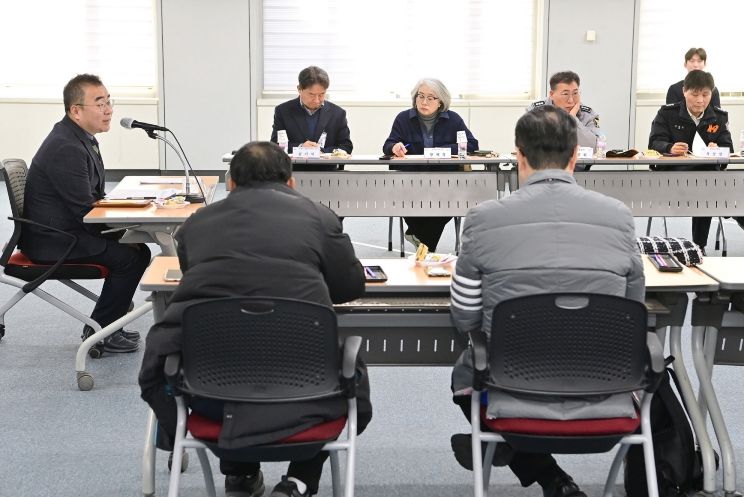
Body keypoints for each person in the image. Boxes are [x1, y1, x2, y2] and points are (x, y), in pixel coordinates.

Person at [139, 141, 372, 497]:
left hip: (211, 390)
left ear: (230, 183)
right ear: (291, 183)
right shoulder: (320, 218)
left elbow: (198, 283)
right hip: (308, 389)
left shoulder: (194, 226)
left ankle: (240, 474)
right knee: (348, 378)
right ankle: (299, 481)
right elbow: (349, 286)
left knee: (229, 335)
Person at [449, 105, 644, 497]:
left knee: (466, 377)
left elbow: (465, 316)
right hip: (604, 384)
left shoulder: (482, 218)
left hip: (512, 385)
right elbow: (632, 307)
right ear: (574, 157)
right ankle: (546, 472)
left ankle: (537, 467)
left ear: (519, 156)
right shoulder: (619, 216)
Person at [20, 74, 150, 353]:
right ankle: (101, 332)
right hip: (56, 240)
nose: (108, 110)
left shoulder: (78, 137)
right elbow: (85, 211)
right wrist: (128, 223)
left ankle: (106, 324)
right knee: (131, 256)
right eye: (100, 104)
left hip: (66, 229)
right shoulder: (66, 146)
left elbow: (91, 198)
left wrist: (130, 217)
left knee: (137, 247)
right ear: (76, 111)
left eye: (109, 102)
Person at [382, 78, 479, 251]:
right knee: (411, 201)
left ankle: (421, 241)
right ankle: (426, 246)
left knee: (447, 203)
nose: (424, 102)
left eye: (430, 98)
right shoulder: (403, 119)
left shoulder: (453, 120)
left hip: (445, 183)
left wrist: (441, 150)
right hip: (410, 183)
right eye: (420, 96)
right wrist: (394, 147)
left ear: (440, 101)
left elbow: (471, 144)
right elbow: (388, 145)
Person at [649, 69, 740, 252]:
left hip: (708, 179)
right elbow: (654, 142)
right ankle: (700, 245)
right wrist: (670, 148)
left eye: (705, 95)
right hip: (674, 177)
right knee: (709, 190)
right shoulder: (668, 113)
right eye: (695, 94)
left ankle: (699, 246)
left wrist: (717, 150)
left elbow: (728, 150)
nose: (700, 100)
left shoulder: (718, 117)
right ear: (684, 91)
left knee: (721, 190)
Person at [270, 66, 352, 171]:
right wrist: (300, 147)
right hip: (293, 172)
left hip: (327, 173)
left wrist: (321, 151)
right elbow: (274, 146)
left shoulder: (337, 113)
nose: (317, 100)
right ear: (299, 89)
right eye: (311, 94)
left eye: (321, 94)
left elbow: (346, 147)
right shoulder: (283, 111)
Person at [527, 71, 600, 171]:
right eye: (565, 94)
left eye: (575, 93)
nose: (571, 100)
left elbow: (595, 148)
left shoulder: (588, 114)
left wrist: (573, 120)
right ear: (551, 94)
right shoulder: (535, 111)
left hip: (576, 173)